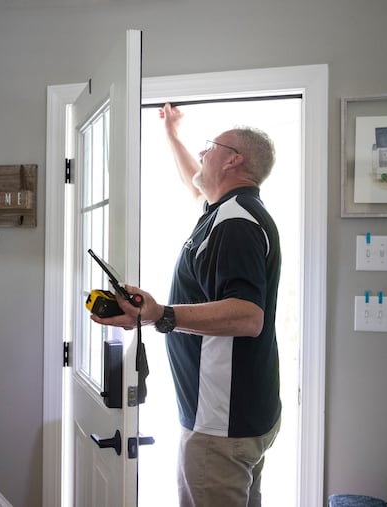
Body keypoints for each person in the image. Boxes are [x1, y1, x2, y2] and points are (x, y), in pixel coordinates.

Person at [91, 103, 282, 507]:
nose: (201, 153)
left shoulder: (235, 223)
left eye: (209, 147)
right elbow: (192, 182)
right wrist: (172, 135)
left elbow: (249, 317)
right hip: (240, 416)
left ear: (234, 159)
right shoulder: (228, 212)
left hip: (220, 426)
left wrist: (162, 314)